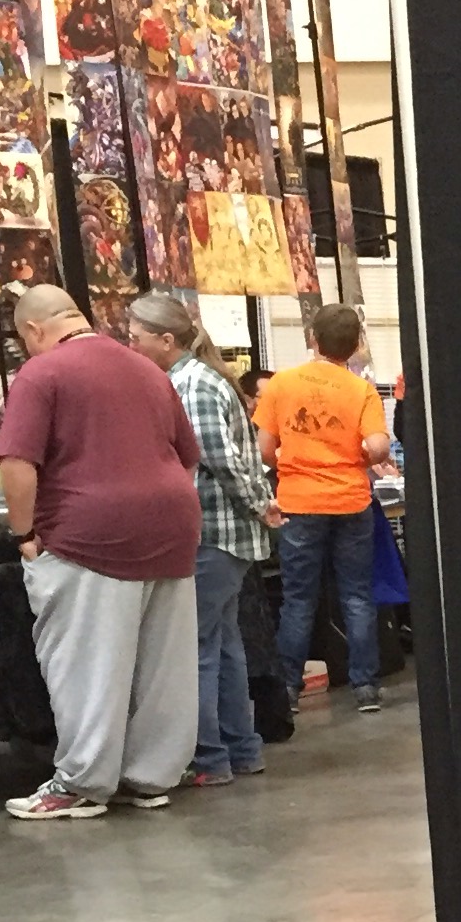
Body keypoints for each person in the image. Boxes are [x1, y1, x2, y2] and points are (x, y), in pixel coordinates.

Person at [0, 282, 202, 821]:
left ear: (34, 329)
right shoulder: (147, 369)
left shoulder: (41, 373)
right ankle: (151, 777)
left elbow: (16, 462)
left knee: (86, 662)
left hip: (89, 533)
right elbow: (187, 456)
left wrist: (24, 535)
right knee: (163, 666)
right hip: (172, 525)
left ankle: (81, 783)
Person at [129, 289, 279, 784]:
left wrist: (260, 505)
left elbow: (219, 460)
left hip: (213, 534)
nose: (130, 346)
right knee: (225, 646)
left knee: (195, 650)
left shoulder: (190, 385)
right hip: (224, 537)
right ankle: (242, 748)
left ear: (166, 340)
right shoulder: (196, 379)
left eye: (136, 337)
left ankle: (209, 757)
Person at [254, 299, 392, 712]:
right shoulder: (361, 390)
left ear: (312, 338)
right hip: (351, 499)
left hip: (299, 501)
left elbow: (264, 450)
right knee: (356, 595)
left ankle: (289, 688)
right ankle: (365, 688)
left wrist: (295, 460)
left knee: (298, 598)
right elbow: (379, 446)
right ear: (356, 345)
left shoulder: (280, 384)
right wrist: (358, 458)